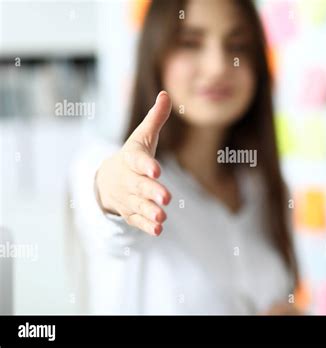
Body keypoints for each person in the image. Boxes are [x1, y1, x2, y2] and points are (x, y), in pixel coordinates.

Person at [70, 0, 299, 314]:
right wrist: (117, 189)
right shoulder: (117, 167)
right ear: (156, 55)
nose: (219, 65)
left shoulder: (266, 188)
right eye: (190, 43)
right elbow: (105, 195)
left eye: (238, 45)